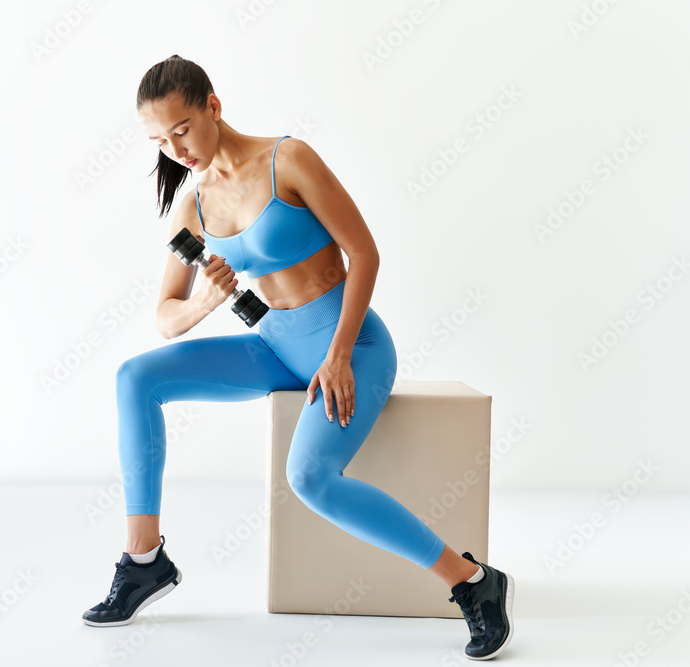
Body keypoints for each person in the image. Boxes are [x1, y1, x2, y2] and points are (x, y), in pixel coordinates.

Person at [81, 54, 514, 661]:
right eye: (159, 139)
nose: (174, 148)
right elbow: (165, 316)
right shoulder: (194, 204)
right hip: (274, 343)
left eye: (181, 129)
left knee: (310, 477)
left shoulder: (289, 159)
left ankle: (473, 583)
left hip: (351, 344)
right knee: (136, 378)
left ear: (213, 104)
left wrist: (337, 356)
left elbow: (364, 254)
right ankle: (143, 560)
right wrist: (205, 300)